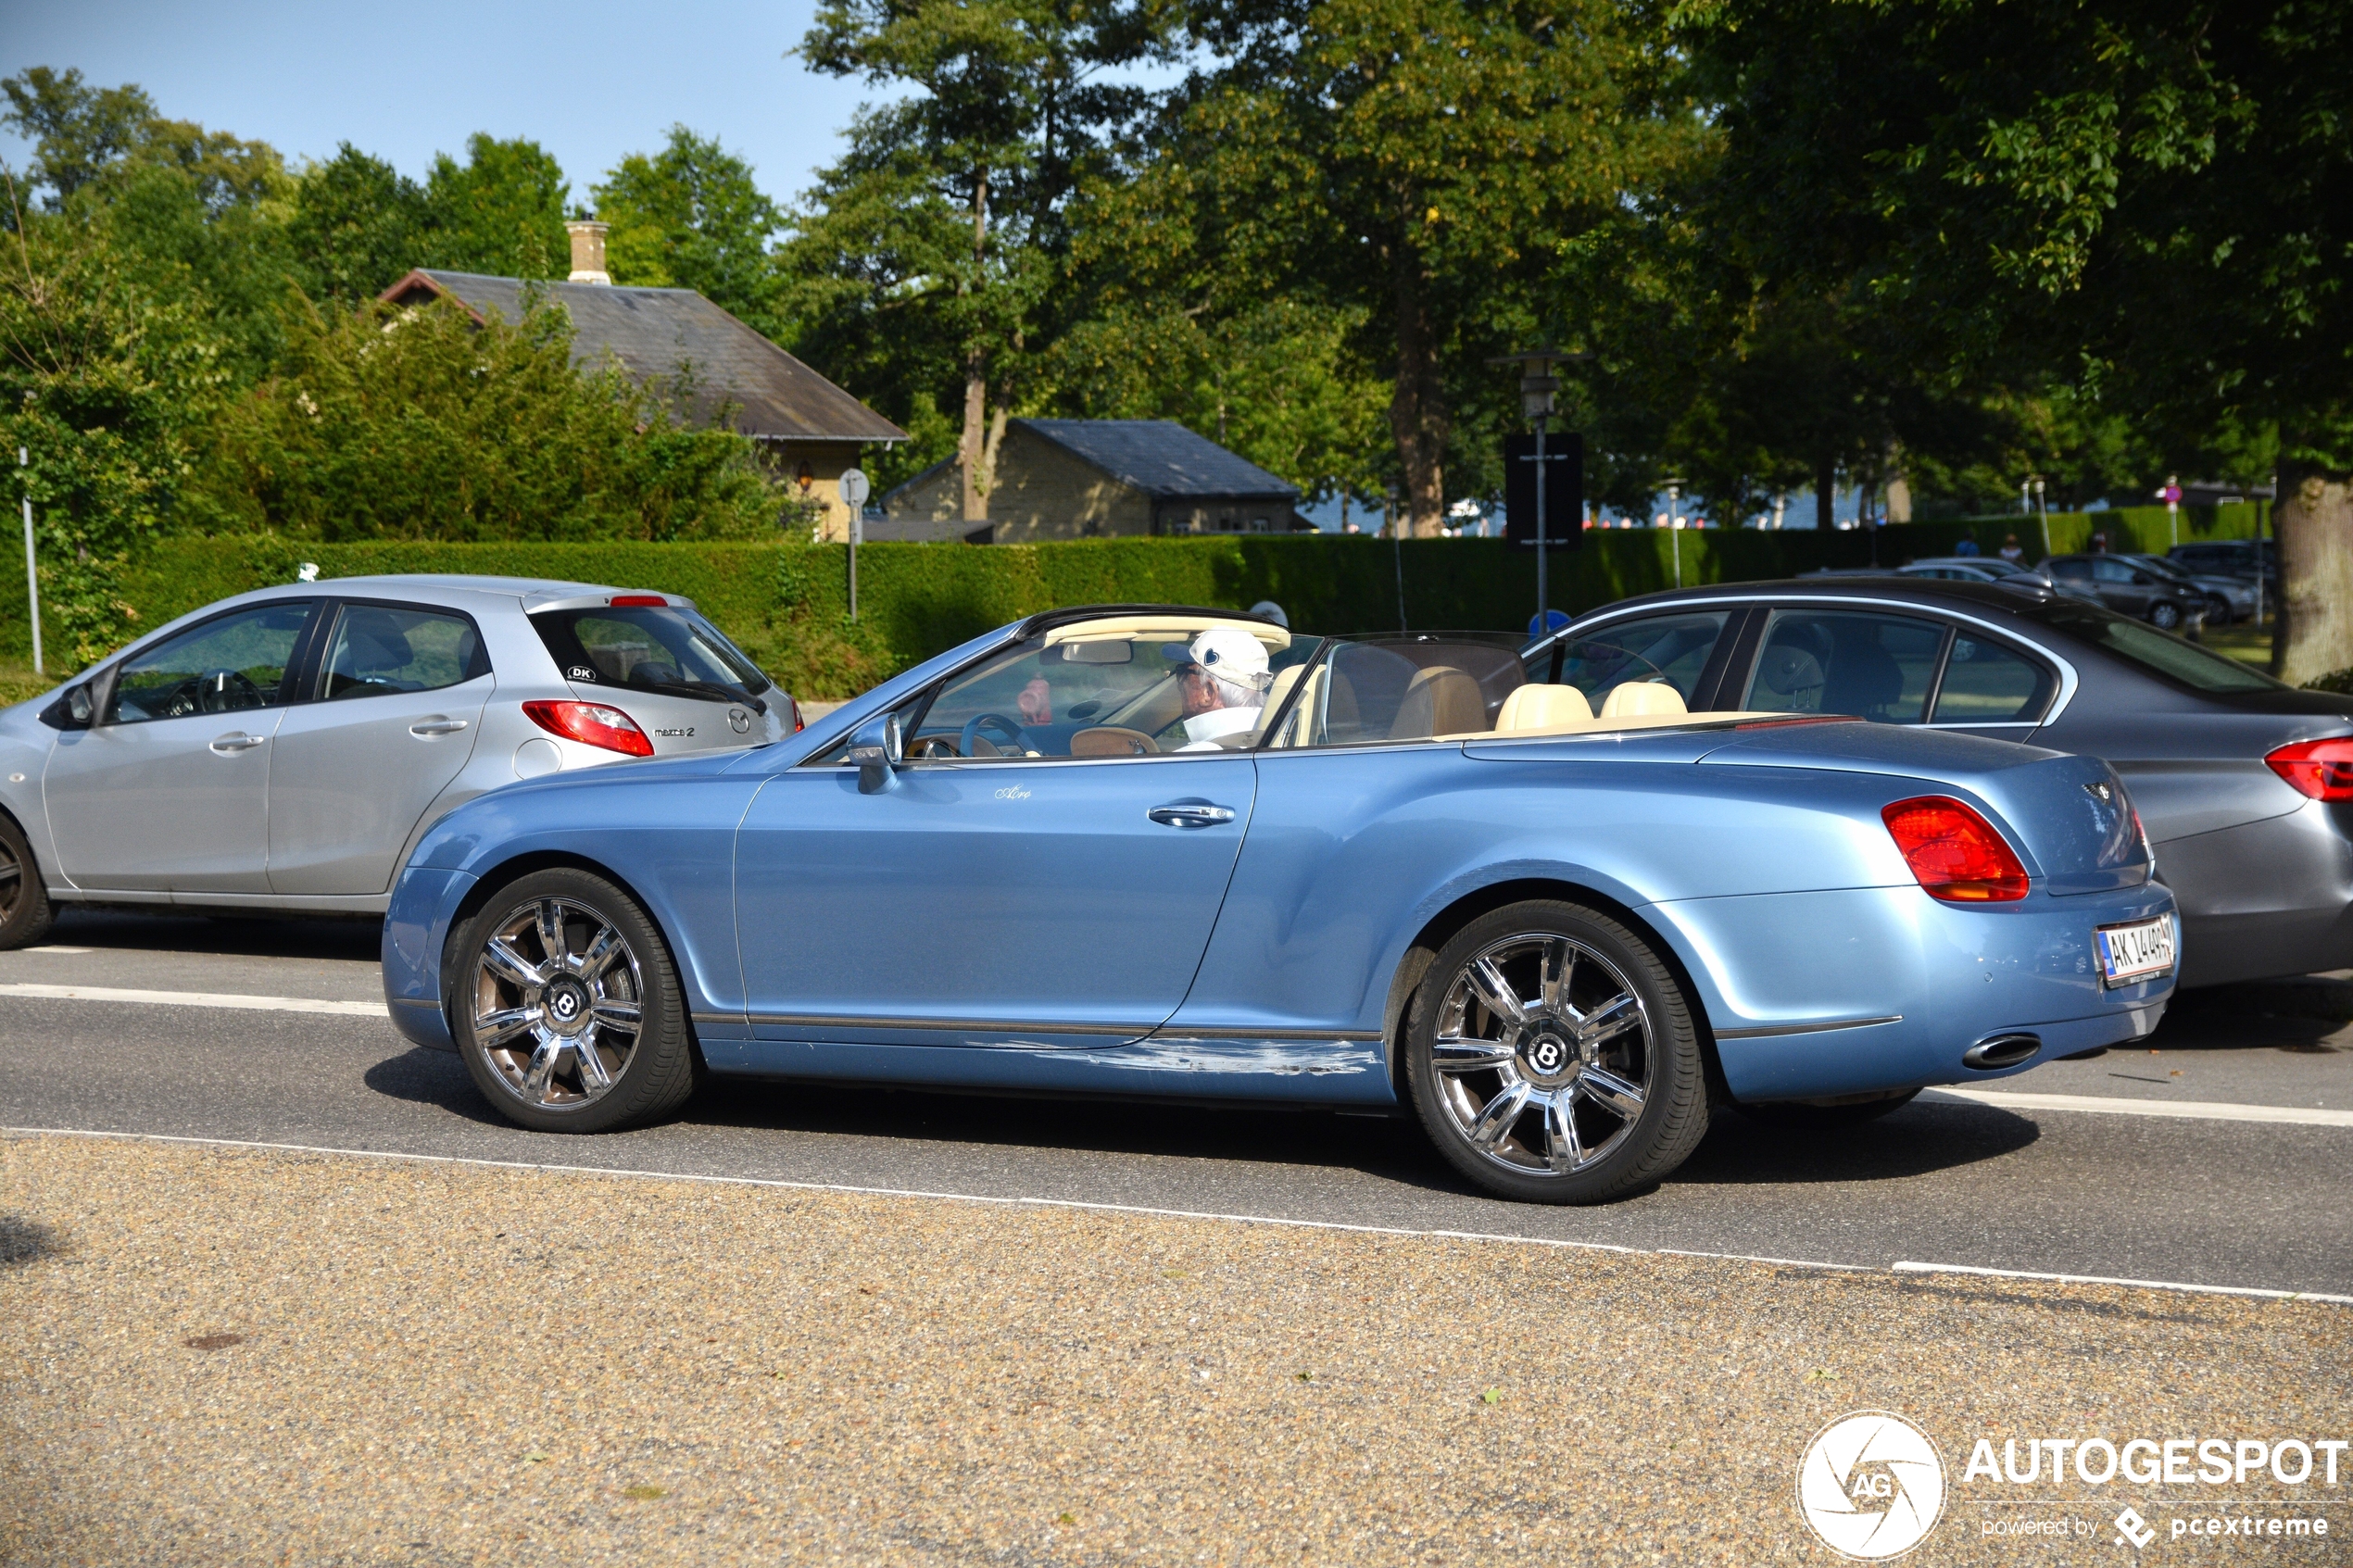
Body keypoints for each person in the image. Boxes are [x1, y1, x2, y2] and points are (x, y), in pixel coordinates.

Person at [1166, 626, 1272, 750]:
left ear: (1208, 692)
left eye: (1183, 672)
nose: (1180, 684)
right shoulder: (1282, 743)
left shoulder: (1182, 763)